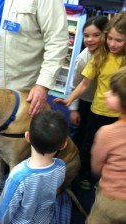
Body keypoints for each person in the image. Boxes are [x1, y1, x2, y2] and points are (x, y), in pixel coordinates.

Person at [0, 0, 68, 179]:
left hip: (21, 80)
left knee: (14, 128)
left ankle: (3, 162)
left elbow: (57, 41)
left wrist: (43, 84)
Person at [53, 12, 126, 189]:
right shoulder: (101, 55)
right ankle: (85, 176)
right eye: (110, 39)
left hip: (120, 115)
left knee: (116, 149)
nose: (112, 44)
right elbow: (84, 83)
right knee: (88, 146)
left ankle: (104, 178)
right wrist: (69, 100)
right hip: (98, 110)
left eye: (119, 40)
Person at [0, 110, 67, 224]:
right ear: (64, 144)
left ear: (27, 137)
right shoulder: (61, 166)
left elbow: (6, 210)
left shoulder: (18, 176)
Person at [68, 16, 109, 190]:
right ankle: (77, 170)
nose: (89, 40)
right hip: (85, 101)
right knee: (82, 137)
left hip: (105, 106)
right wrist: (74, 109)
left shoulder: (112, 56)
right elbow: (75, 84)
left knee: (100, 139)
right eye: (86, 35)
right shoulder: (83, 58)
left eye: (95, 35)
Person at [86, 67, 126, 223]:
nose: (106, 93)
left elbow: (96, 168)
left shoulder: (107, 132)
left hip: (111, 200)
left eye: (113, 92)